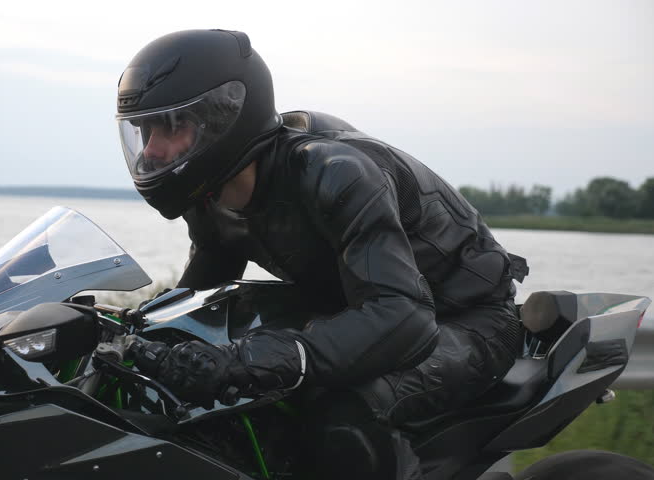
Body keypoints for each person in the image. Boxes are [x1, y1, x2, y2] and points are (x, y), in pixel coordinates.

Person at [118, 29, 526, 479]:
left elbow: (403, 316)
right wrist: (123, 332)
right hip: (354, 308)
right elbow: (199, 291)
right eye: (144, 131)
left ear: (224, 117)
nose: (152, 151)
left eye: (171, 127)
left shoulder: (334, 173)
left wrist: (250, 359)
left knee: (342, 417)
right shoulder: (213, 199)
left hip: (465, 319)